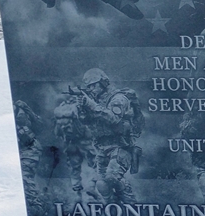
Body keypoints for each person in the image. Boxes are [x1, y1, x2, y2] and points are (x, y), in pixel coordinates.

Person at [55, 68, 143, 203]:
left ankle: (131, 203)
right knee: (102, 185)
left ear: (103, 83)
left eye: (94, 85)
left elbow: (113, 119)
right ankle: (115, 210)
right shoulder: (94, 101)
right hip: (101, 148)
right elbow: (86, 122)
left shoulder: (118, 98)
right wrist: (82, 107)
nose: (91, 89)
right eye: (89, 86)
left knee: (111, 178)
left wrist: (90, 104)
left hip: (121, 146)